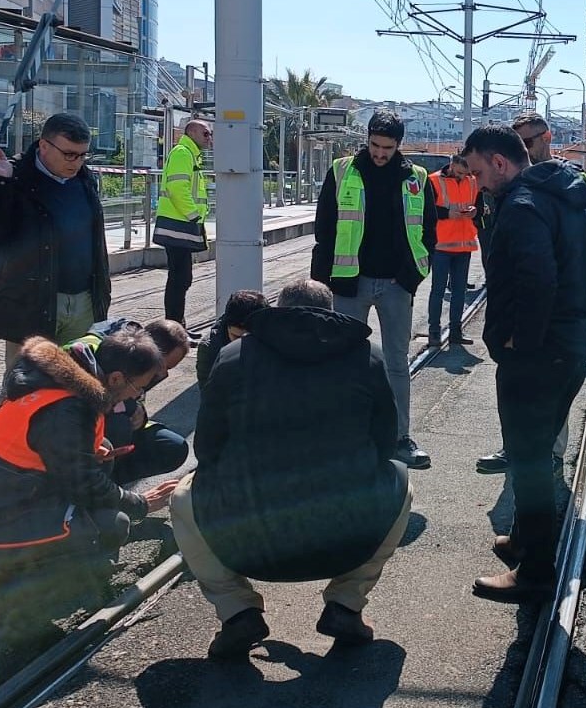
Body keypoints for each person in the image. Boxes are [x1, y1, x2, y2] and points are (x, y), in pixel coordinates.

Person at [169, 279, 412, 659]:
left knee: (183, 495)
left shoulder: (232, 357)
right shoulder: (370, 358)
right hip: (344, 539)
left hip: (247, 541)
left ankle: (237, 611)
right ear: (331, 313)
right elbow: (386, 445)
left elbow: (208, 449)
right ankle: (346, 604)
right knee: (401, 481)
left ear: (278, 310)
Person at [461, 125, 586, 603]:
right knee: (535, 451)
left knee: (529, 458)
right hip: (571, 343)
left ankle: (535, 569)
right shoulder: (566, 195)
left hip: (537, 355)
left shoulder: (520, 207)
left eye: (478, 172)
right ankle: (522, 540)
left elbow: (537, 281)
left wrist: (520, 342)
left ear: (500, 163)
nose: (476, 183)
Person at [0, 328, 178, 557]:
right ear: (115, 379)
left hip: (1, 494)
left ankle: (71, 524)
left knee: (103, 453)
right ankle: (51, 580)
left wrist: (91, 456)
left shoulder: (63, 383)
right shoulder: (69, 409)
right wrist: (140, 504)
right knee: (113, 527)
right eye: (139, 387)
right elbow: (84, 482)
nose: (136, 396)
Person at [311, 110, 438, 469]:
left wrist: (411, 277)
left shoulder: (417, 178)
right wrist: (323, 282)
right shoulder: (341, 170)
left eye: (388, 147)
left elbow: (428, 232)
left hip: (397, 285)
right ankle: (344, 435)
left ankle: (400, 437)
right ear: (366, 140)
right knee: (342, 360)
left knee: (397, 363)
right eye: (375, 145)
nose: (380, 153)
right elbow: (325, 228)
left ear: (399, 145)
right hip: (349, 282)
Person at [477, 113, 586, 476]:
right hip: (564, 334)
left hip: (545, 339)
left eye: (527, 142)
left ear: (546, 138)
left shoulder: (534, 198)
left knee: (536, 452)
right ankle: (527, 454)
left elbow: (540, 279)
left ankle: (541, 466)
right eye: (518, 141)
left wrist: (520, 341)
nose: (523, 148)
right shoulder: (540, 191)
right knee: (531, 440)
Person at [0, 112, 112, 369]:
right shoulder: (14, 176)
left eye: (83, 155)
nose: (76, 162)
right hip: (31, 301)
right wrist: (2, 182)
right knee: (25, 386)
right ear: (44, 146)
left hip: (83, 299)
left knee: (80, 383)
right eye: (69, 154)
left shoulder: (85, 180)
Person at [64, 317, 192, 485]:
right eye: (164, 367)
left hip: (103, 425)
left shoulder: (139, 361)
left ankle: (110, 484)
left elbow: (131, 399)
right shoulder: (80, 359)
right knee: (119, 426)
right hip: (71, 440)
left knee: (173, 447)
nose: (163, 375)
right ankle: (98, 490)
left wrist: (140, 414)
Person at [156, 119, 212, 327]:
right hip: (178, 224)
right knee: (180, 278)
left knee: (182, 278)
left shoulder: (189, 154)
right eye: (206, 134)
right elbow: (177, 188)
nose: (209, 138)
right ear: (193, 133)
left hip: (180, 223)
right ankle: (174, 328)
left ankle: (178, 325)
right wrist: (193, 215)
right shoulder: (182, 153)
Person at [427, 154, 481, 348]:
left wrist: (475, 211)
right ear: (451, 165)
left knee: (459, 292)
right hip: (441, 245)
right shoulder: (433, 181)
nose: (461, 177)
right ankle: (434, 332)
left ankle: (455, 331)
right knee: (438, 290)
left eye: (465, 174)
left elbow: (480, 206)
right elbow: (428, 210)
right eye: (458, 172)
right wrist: (447, 213)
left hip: (463, 245)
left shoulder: (472, 181)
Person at [196, 290, 269, 386]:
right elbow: (209, 394)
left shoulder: (277, 338)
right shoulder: (210, 348)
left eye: (250, 337)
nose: (242, 343)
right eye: (237, 337)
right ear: (227, 326)